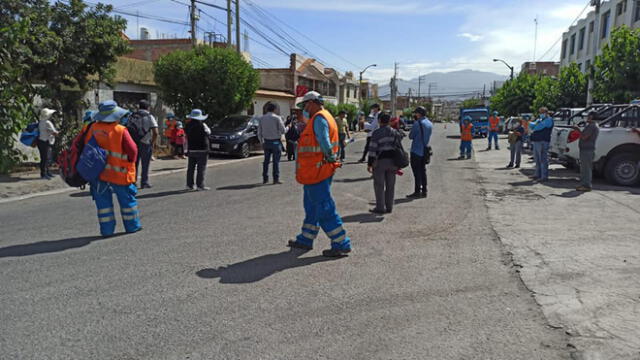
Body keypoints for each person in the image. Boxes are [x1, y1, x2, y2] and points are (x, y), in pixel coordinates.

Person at [287, 91, 352, 258]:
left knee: (323, 207)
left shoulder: (319, 119)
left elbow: (324, 142)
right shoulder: (326, 117)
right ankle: (306, 239)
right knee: (311, 206)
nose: (304, 109)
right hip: (316, 171)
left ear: (313, 103)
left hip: (318, 171)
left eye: (305, 105)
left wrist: (330, 158)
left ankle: (341, 243)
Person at [85, 101, 141, 237]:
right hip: (119, 173)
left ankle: (107, 230)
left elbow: (87, 148)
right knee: (127, 201)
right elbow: (133, 151)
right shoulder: (120, 130)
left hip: (98, 173)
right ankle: (132, 226)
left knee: (103, 204)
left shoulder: (92, 129)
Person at [367, 113, 401, 214]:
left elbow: (372, 149)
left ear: (379, 121)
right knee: (391, 185)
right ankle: (389, 206)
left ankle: (380, 207)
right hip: (393, 162)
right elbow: (398, 147)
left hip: (380, 162)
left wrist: (370, 163)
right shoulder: (395, 132)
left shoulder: (377, 133)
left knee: (379, 185)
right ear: (389, 121)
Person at [130, 100, 158, 189]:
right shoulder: (149, 116)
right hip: (145, 142)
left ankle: (133, 181)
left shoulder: (132, 116)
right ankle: (144, 182)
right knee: (145, 164)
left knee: (134, 163)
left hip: (133, 142)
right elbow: (155, 132)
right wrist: (152, 143)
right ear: (148, 107)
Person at [408, 106, 433, 198]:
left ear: (419, 114)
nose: (415, 115)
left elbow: (410, 136)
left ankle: (417, 191)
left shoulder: (417, 123)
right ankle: (424, 191)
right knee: (423, 171)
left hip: (416, 151)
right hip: (425, 150)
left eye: (416, 113)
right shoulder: (429, 123)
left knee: (416, 172)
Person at [258, 103, 286, 184]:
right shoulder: (277, 118)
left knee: (266, 161)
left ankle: (265, 179)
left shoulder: (261, 118)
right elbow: (283, 130)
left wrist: (261, 142)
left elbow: (259, 132)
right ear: (274, 109)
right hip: (276, 142)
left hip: (266, 142)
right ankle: (275, 179)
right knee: (275, 161)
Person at [185, 109, 211, 191]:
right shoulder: (203, 125)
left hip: (191, 149)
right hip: (202, 149)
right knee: (201, 168)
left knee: (191, 168)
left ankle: (189, 184)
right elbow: (209, 132)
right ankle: (200, 185)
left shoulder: (187, 125)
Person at [575, 111, 600, 191]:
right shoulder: (591, 125)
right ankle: (583, 184)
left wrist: (578, 130)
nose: (587, 117)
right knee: (584, 168)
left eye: (588, 116)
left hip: (587, 150)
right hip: (585, 149)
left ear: (592, 117)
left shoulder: (592, 126)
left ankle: (586, 185)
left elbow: (585, 137)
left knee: (586, 169)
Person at [529, 107, 554, 182]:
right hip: (537, 141)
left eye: (542, 112)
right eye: (540, 112)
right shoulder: (540, 119)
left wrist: (534, 125)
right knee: (537, 159)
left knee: (543, 159)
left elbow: (537, 127)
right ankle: (537, 174)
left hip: (543, 141)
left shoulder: (549, 120)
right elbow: (532, 125)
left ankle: (544, 176)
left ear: (546, 112)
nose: (540, 114)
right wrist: (533, 125)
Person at [37, 108, 59, 180]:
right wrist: (57, 133)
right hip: (46, 141)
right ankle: (44, 174)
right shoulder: (47, 122)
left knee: (44, 158)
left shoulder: (41, 122)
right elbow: (54, 132)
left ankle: (46, 172)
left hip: (40, 141)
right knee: (46, 158)